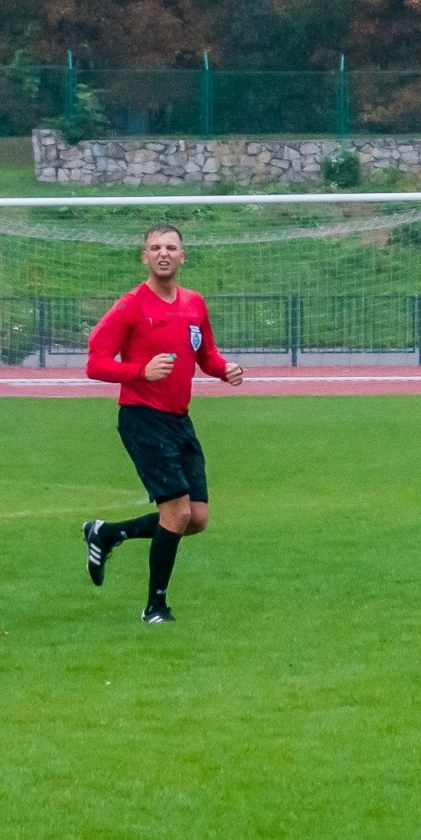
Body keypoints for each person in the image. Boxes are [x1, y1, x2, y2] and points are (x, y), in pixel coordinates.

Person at [81, 223, 244, 623]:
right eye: (155, 248)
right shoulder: (130, 306)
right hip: (142, 418)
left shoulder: (194, 304)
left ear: (183, 256)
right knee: (176, 512)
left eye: (171, 247)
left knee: (197, 518)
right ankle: (155, 607)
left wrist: (226, 369)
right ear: (145, 257)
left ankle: (107, 533)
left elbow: (205, 355)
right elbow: (95, 364)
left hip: (179, 421)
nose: (163, 253)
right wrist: (140, 370)